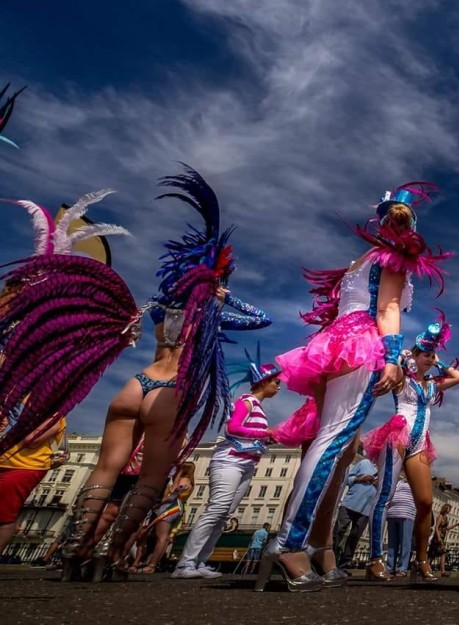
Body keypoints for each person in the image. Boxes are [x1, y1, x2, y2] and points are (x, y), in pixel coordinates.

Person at [38, 170, 273, 582]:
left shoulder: (162, 308)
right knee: (150, 479)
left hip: (137, 383)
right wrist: (226, 297)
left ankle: (75, 551)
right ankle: (111, 557)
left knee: (105, 469)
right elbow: (261, 319)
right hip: (169, 392)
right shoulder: (211, 315)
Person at [258, 183, 447, 593]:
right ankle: (290, 541)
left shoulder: (360, 260)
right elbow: (388, 306)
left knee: (338, 448)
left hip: (333, 340)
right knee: (333, 439)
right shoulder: (394, 256)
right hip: (362, 343)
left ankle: (317, 545)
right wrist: (393, 356)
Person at [363, 314, 459, 581]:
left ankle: (421, 560)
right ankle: (375, 559)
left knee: (426, 502)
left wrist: (437, 361)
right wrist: (402, 357)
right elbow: (389, 370)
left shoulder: (432, 384)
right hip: (398, 436)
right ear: (415, 356)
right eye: (426, 356)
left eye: (433, 356)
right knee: (384, 496)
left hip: (420, 443)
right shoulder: (402, 378)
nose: (430, 360)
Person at [172, 349, 281, 578]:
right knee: (217, 509)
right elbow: (233, 428)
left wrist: (266, 438)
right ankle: (185, 564)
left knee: (224, 514)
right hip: (229, 461)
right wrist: (264, 433)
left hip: (246, 464)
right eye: (276, 382)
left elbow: (249, 435)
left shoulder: (258, 408)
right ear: (264, 382)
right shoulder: (246, 402)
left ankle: (200, 562)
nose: (279, 386)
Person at [0, 409, 67, 555]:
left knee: (4, 516)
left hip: (24, 467)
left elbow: (31, 439)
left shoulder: (54, 414)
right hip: (7, 462)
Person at [129, 462, 195, 573]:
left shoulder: (183, 480)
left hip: (170, 508)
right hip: (177, 508)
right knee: (162, 537)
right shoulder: (190, 482)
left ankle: (151, 564)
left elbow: (174, 494)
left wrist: (161, 502)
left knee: (161, 537)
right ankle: (149, 563)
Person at [334, 445, 379, 569]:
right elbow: (347, 479)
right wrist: (361, 478)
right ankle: (329, 561)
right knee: (339, 531)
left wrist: (378, 484)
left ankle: (344, 565)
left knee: (355, 536)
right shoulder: (364, 463)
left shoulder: (384, 472)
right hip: (350, 503)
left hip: (366, 509)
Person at [385, 478, 415, 577]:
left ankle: (402, 568)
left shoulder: (416, 482)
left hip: (407, 513)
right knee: (392, 544)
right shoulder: (398, 482)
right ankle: (390, 568)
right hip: (392, 514)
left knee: (405, 543)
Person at [429, 503, 452, 576]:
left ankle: (428, 567)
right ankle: (442, 571)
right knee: (442, 552)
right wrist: (438, 537)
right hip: (437, 538)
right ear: (445, 509)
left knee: (433, 554)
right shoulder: (440, 516)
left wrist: (456, 525)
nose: (450, 510)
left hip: (442, 537)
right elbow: (436, 527)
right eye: (449, 508)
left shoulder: (446, 518)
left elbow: (446, 528)